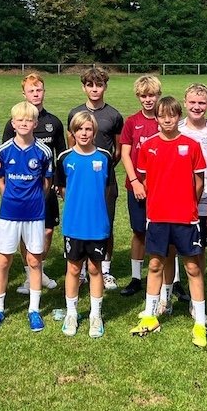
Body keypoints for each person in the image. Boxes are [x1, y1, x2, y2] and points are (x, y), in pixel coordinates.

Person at [129, 96, 207, 348]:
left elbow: (199, 182)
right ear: (157, 118)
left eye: (172, 115)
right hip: (158, 217)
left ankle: (200, 322)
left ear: (178, 116)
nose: (167, 120)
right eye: (162, 115)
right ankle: (150, 316)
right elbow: (146, 180)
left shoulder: (192, 145)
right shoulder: (148, 146)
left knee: (192, 267)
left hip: (185, 217)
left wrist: (188, 203)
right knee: (155, 265)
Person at [0, 101, 53, 332]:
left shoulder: (44, 151)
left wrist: (34, 200)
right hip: (9, 213)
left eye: (28, 120)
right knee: (4, 260)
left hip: (34, 214)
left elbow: (46, 182)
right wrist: (10, 199)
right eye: (19, 120)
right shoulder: (3, 150)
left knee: (34, 260)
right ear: (13, 123)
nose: (24, 123)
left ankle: (34, 310)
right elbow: (1, 179)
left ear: (35, 123)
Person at [1, 73, 66, 293]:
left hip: (45, 188)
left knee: (47, 231)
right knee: (23, 232)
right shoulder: (14, 123)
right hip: (21, 191)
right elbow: (6, 159)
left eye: (39, 90)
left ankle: (40, 270)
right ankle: (30, 275)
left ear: (44, 92)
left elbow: (60, 156)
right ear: (24, 94)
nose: (36, 94)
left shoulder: (53, 122)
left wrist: (58, 183)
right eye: (31, 90)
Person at [54, 112, 116, 338]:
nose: (83, 133)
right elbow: (62, 189)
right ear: (72, 132)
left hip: (97, 225)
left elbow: (106, 189)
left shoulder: (105, 157)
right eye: (79, 129)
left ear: (94, 132)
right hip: (74, 224)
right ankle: (71, 313)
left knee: (94, 269)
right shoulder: (64, 158)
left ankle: (95, 315)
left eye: (88, 129)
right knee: (73, 269)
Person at [173, 83, 207, 320]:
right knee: (172, 249)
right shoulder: (175, 129)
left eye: (202, 103)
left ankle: (197, 301)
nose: (197, 107)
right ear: (185, 103)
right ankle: (166, 294)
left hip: (205, 204)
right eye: (193, 102)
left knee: (198, 252)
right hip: (176, 202)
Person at [67, 67, 123, 289]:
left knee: (105, 222)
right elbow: (70, 148)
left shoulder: (114, 115)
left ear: (105, 87)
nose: (95, 89)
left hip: (104, 179)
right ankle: (80, 270)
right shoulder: (75, 113)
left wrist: (102, 170)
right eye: (90, 85)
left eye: (99, 85)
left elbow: (117, 150)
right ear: (84, 87)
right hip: (80, 181)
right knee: (80, 221)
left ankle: (105, 269)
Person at [119, 75, 161, 298]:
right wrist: (135, 181)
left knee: (164, 232)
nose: (148, 100)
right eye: (144, 96)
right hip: (136, 186)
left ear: (158, 95)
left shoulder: (165, 119)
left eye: (151, 95)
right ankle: (136, 278)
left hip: (161, 187)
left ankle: (171, 280)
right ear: (138, 97)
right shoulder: (132, 122)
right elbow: (125, 154)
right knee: (139, 231)